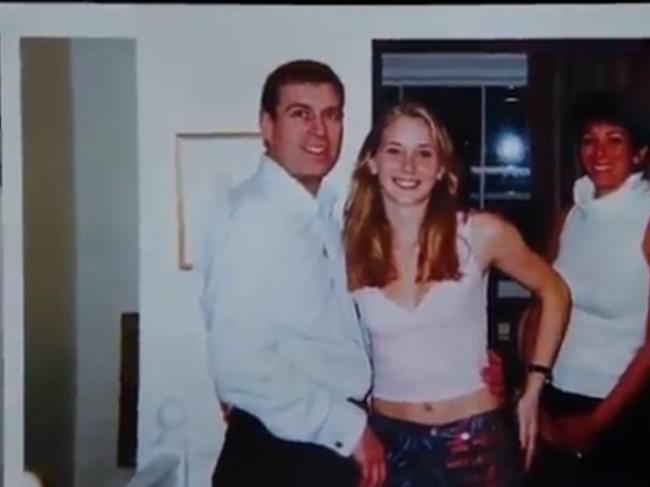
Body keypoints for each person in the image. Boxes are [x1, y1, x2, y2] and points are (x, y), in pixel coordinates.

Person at [342, 101, 570, 486]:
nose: (409, 167)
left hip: (476, 443)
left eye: (424, 153)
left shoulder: (480, 233)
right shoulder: (349, 246)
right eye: (394, 151)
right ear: (372, 162)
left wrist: (533, 388)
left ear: (442, 167)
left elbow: (555, 292)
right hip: (387, 443)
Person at [198, 59, 385, 487]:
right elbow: (240, 364)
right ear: (266, 125)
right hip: (284, 454)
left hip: (314, 446)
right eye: (301, 114)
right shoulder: (251, 217)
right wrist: (350, 428)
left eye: (331, 115)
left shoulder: (321, 217)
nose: (319, 130)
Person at [524, 90, 650, 487]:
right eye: (589, 139)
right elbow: (539, 308)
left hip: (624, 411)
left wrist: (596, 423)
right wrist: (531, 392)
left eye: (614, 140)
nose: (600, 152)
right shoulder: (569, 216)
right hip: (555, 400)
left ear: (639, 154)